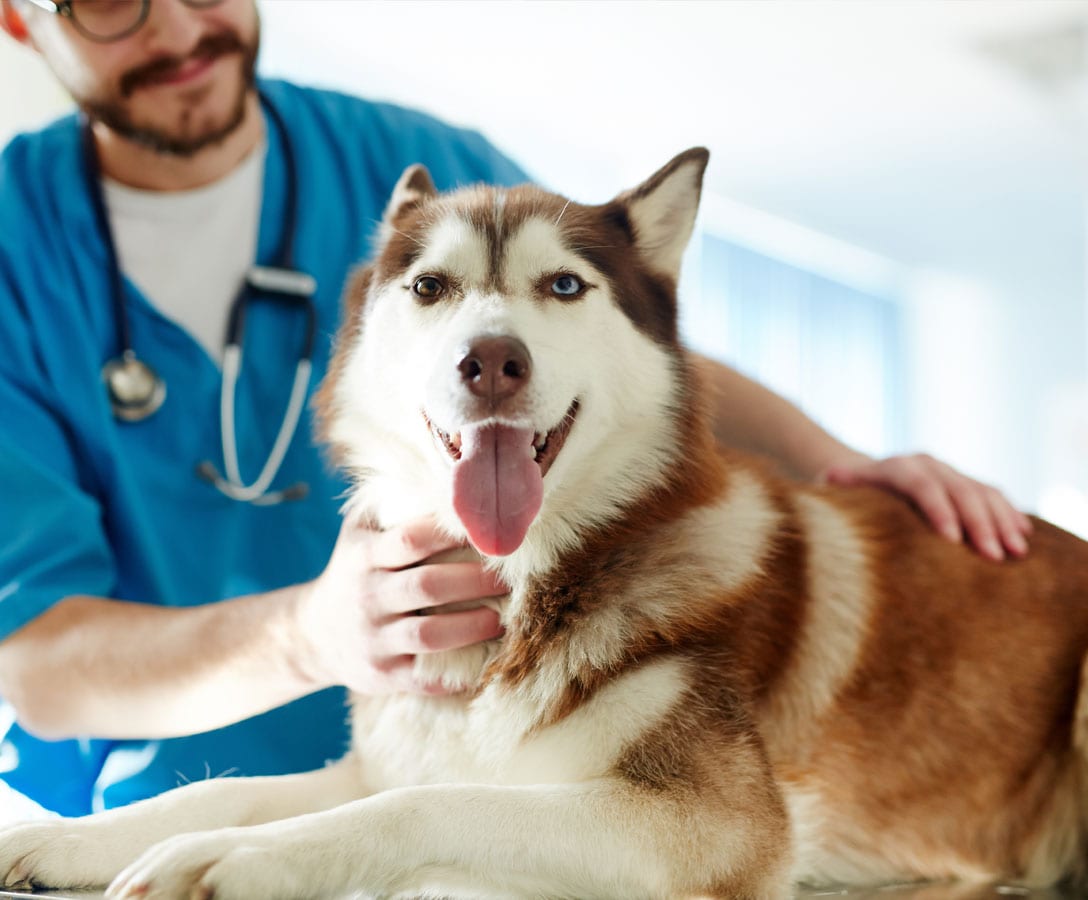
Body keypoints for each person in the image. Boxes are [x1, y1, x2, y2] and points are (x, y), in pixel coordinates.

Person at [0, 0, 1032, 819]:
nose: (180, 30)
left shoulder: (402, 154)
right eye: (107, 3)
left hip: (486, 789)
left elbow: (613, 340)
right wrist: (309, 639)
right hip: (184, 811)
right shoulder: (14, 251)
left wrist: (841, 460)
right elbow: (36, 659)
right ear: (18, 20)